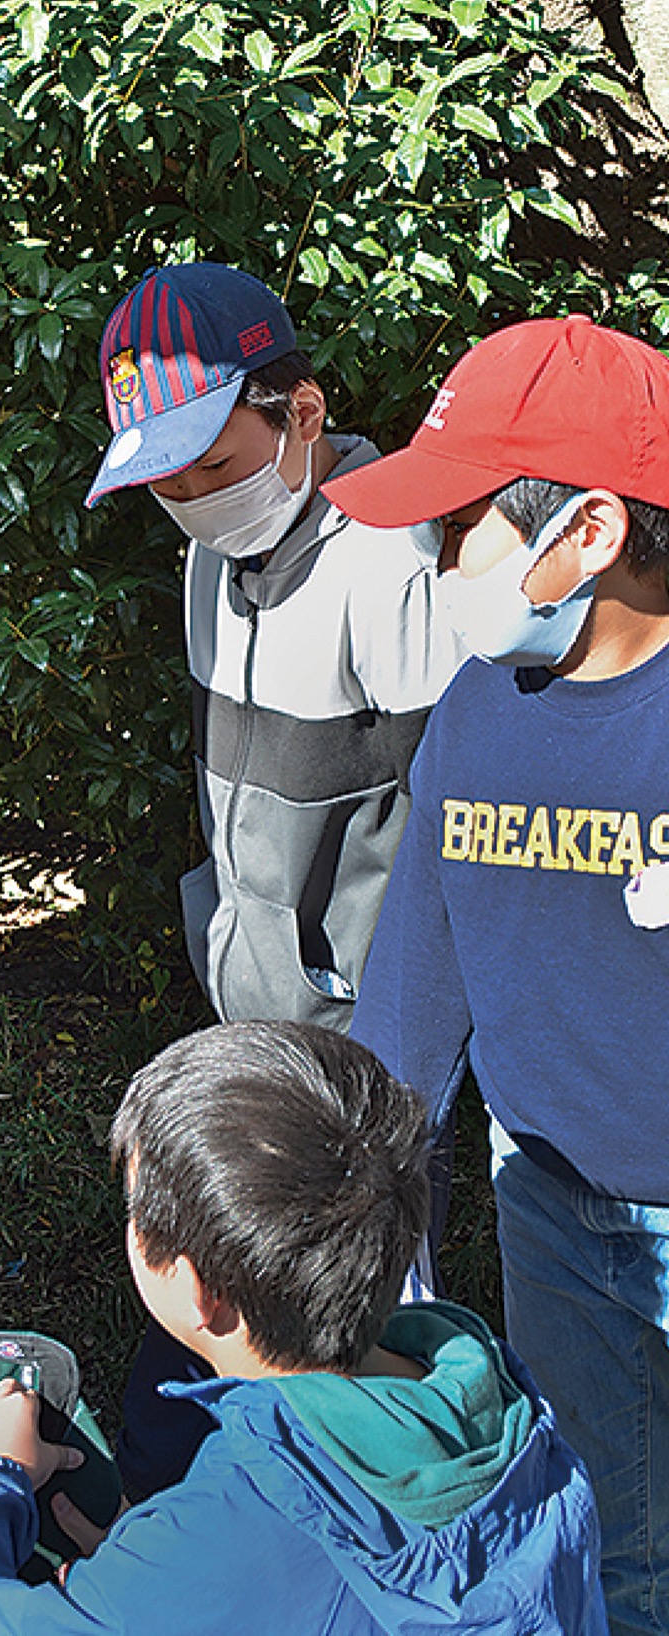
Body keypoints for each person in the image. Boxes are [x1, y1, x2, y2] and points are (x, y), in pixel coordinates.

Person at [0, 1022, 604, 1636]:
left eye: (135, 1211)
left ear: (198, 1290)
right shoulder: (491, 1402)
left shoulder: (228, 1545)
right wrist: (149, 1580)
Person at [323, 313, 669, 1636]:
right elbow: (420, 975)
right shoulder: (479, 705)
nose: (436, 561)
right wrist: (373, 1206)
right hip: (557, 1216)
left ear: (588, 532)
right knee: (606, 1535)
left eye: (459, 526)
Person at [85, 261, 466, 1030]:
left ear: (304, 413)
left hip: (359, 1021)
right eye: (167, 484)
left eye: (215, 467)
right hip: (249, 996)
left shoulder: (389, 559)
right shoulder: (214, 552)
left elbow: (447, 818)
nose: (194, 502)